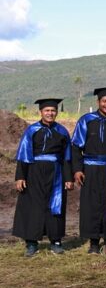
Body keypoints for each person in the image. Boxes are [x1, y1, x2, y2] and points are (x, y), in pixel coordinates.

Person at [71, 87, 106, 254]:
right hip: (91, 169)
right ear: (98, 102)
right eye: (104, 101)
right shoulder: (86, 120)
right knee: (92, 205)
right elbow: (76, 147)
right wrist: (77, 170)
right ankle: (94, 242)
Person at [13, 98, 73, 257]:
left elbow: (67, 157)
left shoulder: (62, 132)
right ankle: (31, 243)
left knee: (56, 206)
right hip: (34, 172)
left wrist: (68, 178)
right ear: (41, 112)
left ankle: (56, 242)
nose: (50, 113)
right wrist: (20, 177)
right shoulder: (32, 130)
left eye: (53, 110)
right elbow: (24, 155)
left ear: (56, 112)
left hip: (56, 173)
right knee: (33, 207)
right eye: (47, 110)